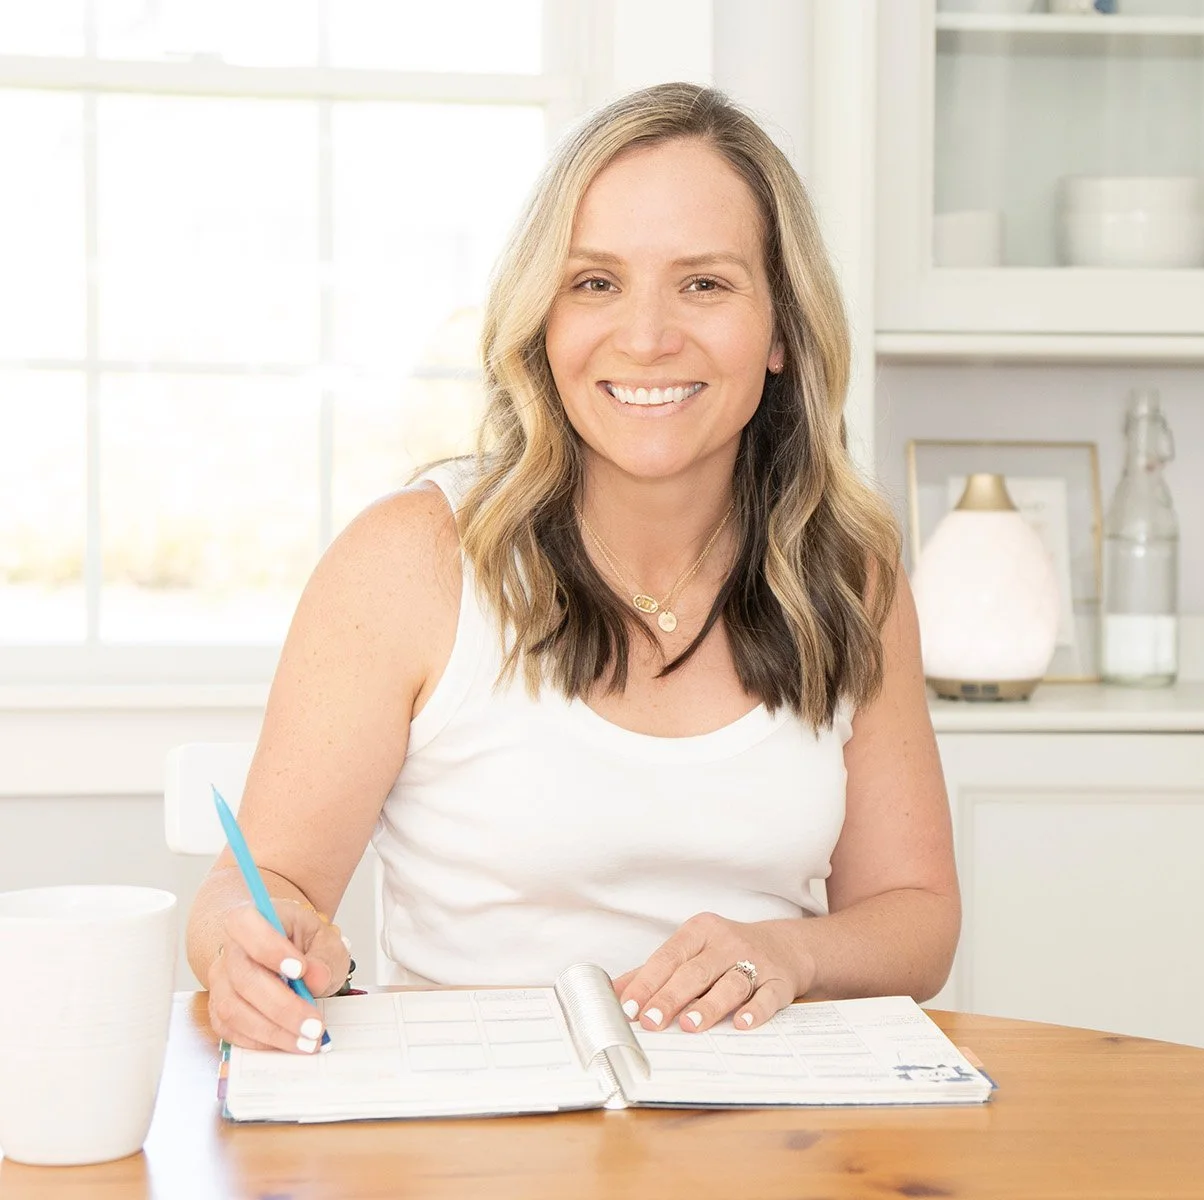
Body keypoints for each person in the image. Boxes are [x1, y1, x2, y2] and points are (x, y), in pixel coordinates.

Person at [186, 81, 959, 1054]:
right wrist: (244, 946)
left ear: (780, 332)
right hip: (473, 1131)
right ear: (542, 324)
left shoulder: (851, 574)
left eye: (705, 283)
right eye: (596, 282)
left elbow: (917, 913)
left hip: (771, 1132)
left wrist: (794, 954)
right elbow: (254, 889)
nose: (645, 337)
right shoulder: (409, 563)